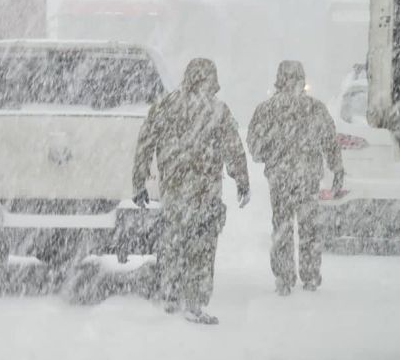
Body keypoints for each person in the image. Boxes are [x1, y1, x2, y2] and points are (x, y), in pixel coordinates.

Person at [132, 58, 250, 325]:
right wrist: (242, 180)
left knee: (173, 243)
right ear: (211, 80)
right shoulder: (218, 110)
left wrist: (139, 182)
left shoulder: (165, 105)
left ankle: (171, 296)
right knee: (203, 247)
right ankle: (195, 301)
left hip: (174, 190)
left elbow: (145, 144)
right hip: (206, 192)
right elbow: (234, 148)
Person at [247, 61, 343, 296]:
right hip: (307, 177)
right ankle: (309, 276)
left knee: (282, 227)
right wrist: (337, 169)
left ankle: (284, 277)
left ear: (278, 81)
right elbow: (330, 141)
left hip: (280, 179)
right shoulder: (315, 108)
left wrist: (270, 154)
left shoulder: (267, 109)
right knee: (309, 228)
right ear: (302, 80)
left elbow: (254, 145)